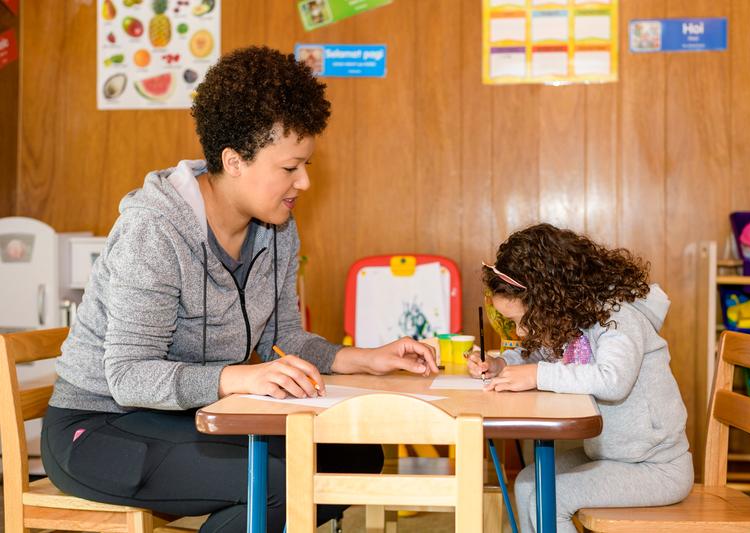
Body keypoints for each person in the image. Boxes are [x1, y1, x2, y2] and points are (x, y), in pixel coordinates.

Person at [41, 46, 437, 533]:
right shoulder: (155, 231)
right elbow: (128, 375)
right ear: (233, 161)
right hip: (97, 426)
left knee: (352, 458)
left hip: (186, 415)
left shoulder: (277, 228)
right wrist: (236, 378)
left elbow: (283, 337)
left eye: (306, 165)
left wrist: (367, 357)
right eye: (290, 168)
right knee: (276, 485)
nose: (305, 182)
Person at [468, 223, 693, 533]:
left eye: (522, 320)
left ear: (548, 298)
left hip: (656, 467)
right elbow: (540, 356)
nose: (520, 332)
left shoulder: (618, 315)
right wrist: (499, 364)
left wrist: (537, 375)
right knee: (525, 485)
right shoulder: (570, 318)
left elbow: (613, 380)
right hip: (609, 456)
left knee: (551, 499)